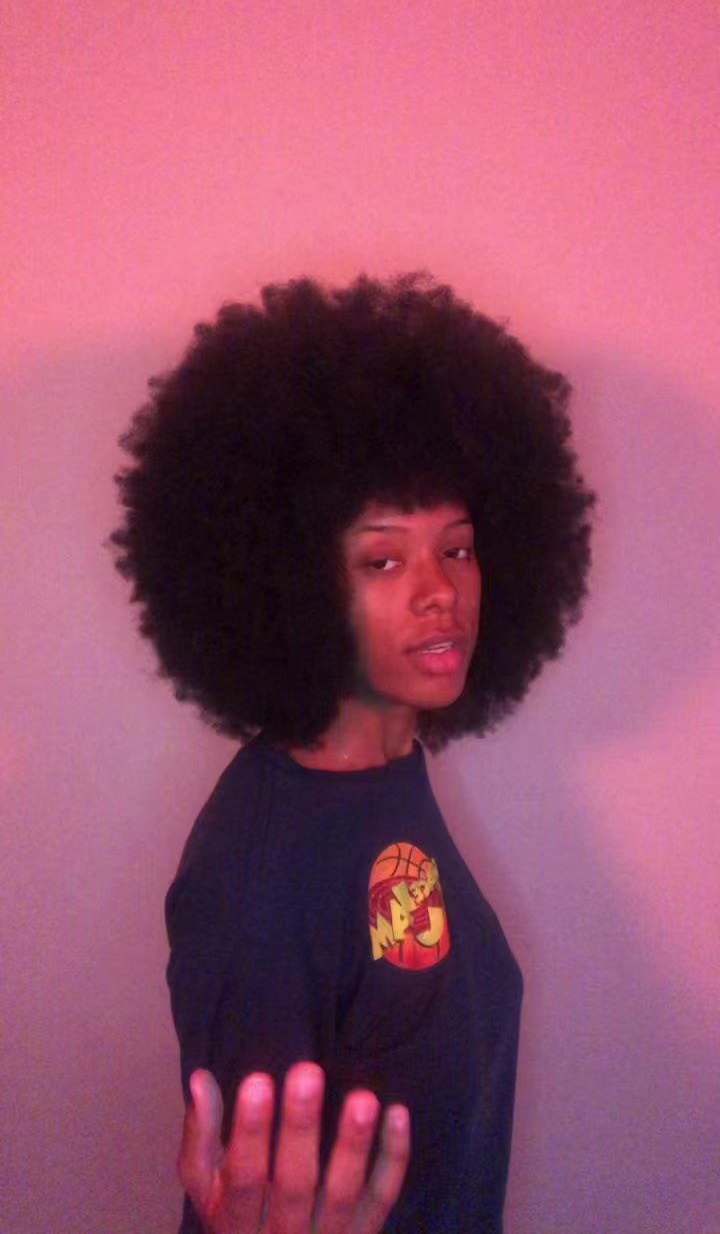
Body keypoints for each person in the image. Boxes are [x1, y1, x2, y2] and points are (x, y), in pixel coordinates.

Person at [112, 273, 595, 1232]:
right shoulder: (258, 877)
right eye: (382, 559)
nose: (439, 591)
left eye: (457, 549)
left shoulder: (386, 774)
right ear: (289, 584)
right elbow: (250, 1202)